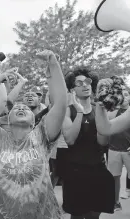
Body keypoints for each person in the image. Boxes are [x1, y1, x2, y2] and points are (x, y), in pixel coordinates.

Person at [0, 50, 68, 218]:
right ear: (8, 119)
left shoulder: (42, 135)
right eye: (17, 108)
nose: (21, 107)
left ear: (33, 121)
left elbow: (60, 103)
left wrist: (53, 64)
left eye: (25, 108)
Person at [62, 68, 114, 219]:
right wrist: (79, 112)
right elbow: (70, 139)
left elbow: (103, 141)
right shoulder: (68, 111)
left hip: (97, 169)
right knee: (77, 215)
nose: (85, 85)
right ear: (72, 90)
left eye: (88, 82)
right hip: (75, 171)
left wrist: (101, 115)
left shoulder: (100, 108)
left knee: (94, 215)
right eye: (79, 83)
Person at [104, 88, 130, 211]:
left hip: (128, 151)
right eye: (121, 94)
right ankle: (116, 202)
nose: (124, 97)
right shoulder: (113, 112)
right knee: (115, 177)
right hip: (114, 149)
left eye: (126, 94)